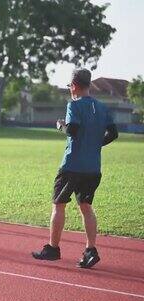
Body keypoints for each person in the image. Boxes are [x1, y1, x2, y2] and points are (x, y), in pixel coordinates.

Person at [32, 68, 118, 269]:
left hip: (72, 165)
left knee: (58, 204)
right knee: (86, 206)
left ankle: (53, 248)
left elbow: (73, 130)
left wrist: (60, 126)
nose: (70, 89)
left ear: (75, 85)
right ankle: (91, 250)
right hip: (93, 167)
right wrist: (96, 145)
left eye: (70, 85)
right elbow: (113, 133)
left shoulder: (74, 105)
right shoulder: (102, 107)